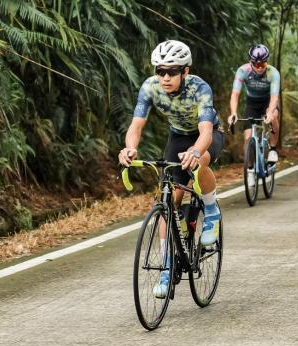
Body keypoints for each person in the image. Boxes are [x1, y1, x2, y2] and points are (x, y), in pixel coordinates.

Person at [118, 40, 224, 298]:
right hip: (177, 136)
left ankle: (211, 210)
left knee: (199, 163)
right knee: (168, 201)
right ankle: (167, 268)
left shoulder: (200, 88)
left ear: (185, 71)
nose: (165, 77)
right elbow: (136, 125)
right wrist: (130, 148)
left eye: (172, 72)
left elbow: (205, 132)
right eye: (160, 71)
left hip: (207, 135)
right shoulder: (150, 87)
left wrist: (195, 151)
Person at [228, 44, 280, 172]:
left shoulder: (273, 73)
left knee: (273, 116)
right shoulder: (243, 71)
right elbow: (235, 94)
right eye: (257, 65)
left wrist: (270, 112)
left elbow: (274, 97)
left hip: (268, 102)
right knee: (248, 138)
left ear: (267, 62)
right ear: (250, 62)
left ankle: (273, 149)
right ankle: (250, 169)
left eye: (263, 64)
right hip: (252, 104)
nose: (260, 68)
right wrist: (233, 112)